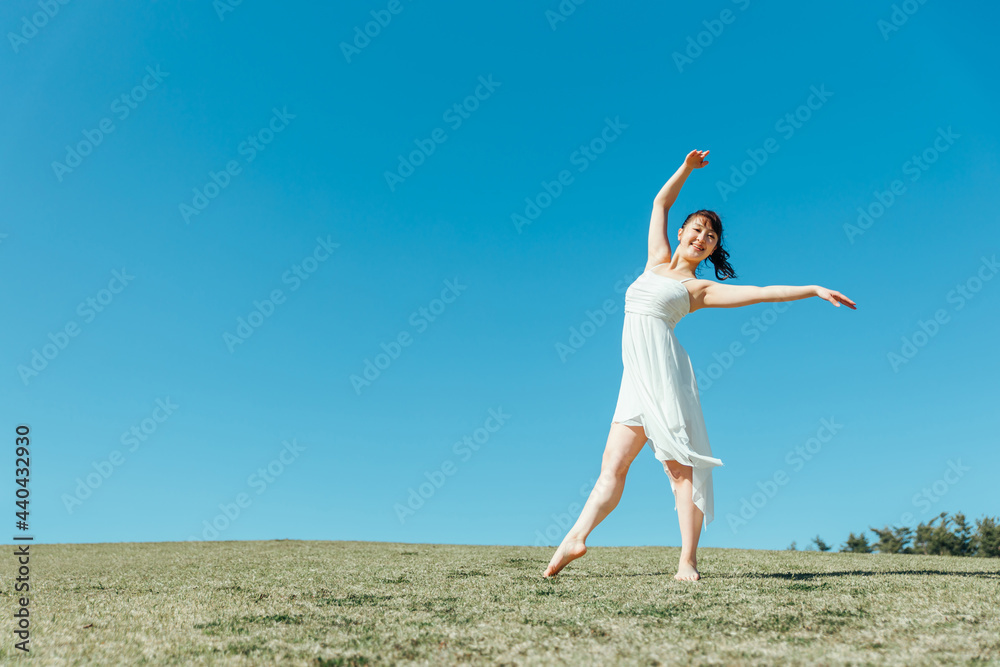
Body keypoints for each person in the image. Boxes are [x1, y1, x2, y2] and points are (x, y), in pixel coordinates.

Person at [542, 149, 856, 581]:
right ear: (683, 231)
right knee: (612, 466)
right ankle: (576, 537)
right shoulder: (655, 261)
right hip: (634, 380)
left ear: (711, 249)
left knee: (678, 469)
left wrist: (812, 288)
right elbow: (660, 203)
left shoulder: (699, 288)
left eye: (711, 236)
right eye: (697, 229)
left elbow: (764, 292)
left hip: (664, 375)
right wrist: (687, 169)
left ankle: (687, 561)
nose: (703, 237)